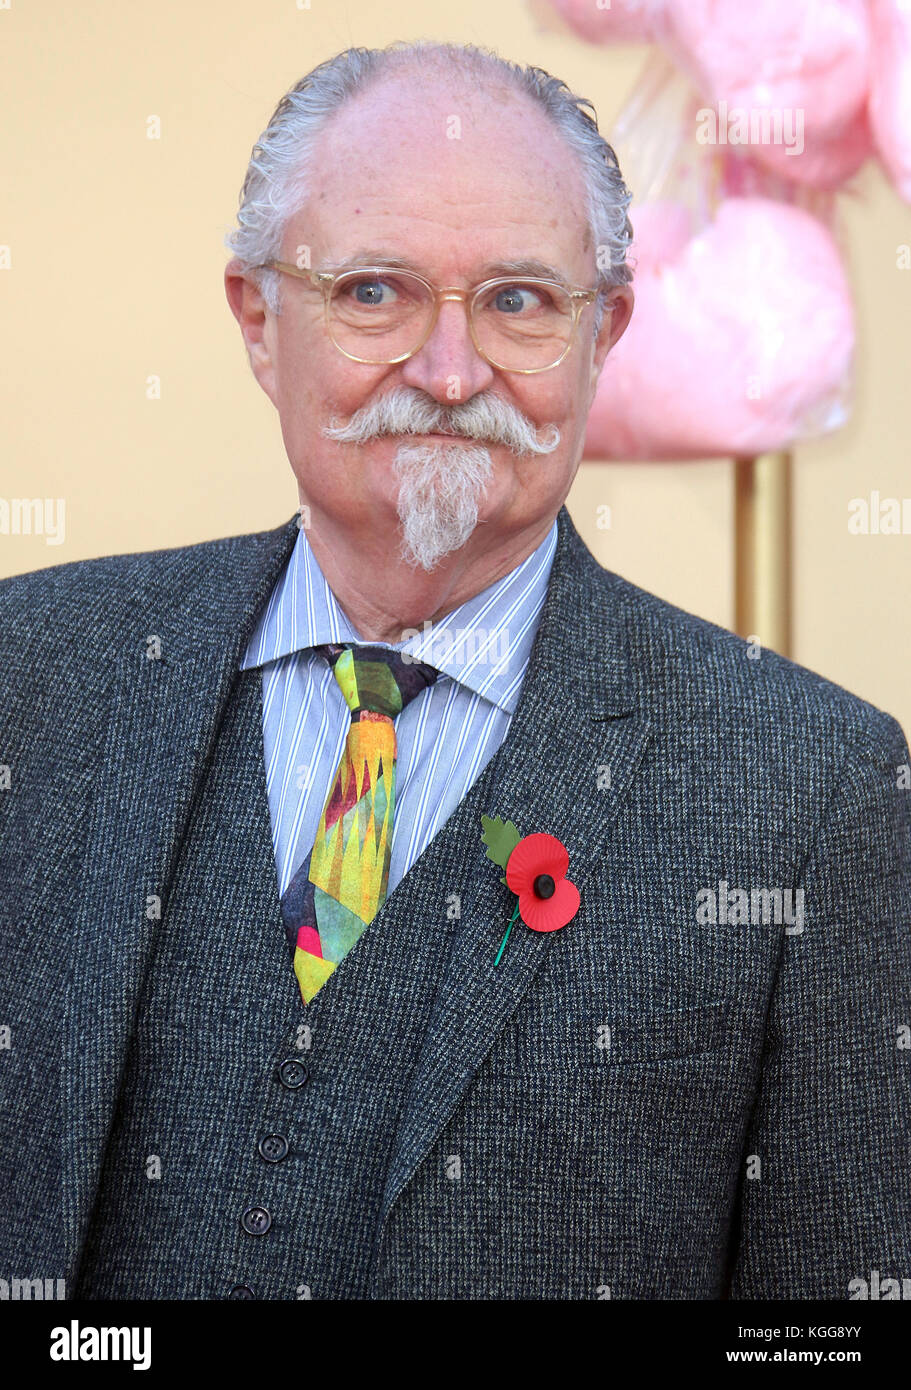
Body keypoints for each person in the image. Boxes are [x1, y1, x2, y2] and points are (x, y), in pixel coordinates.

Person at [1, 40, 908, 1302]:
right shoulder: (28, 675)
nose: (447, 371)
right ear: (259, 319)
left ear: (605, 334)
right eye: (374, 292)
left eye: (520, 301)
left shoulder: (815, 792)